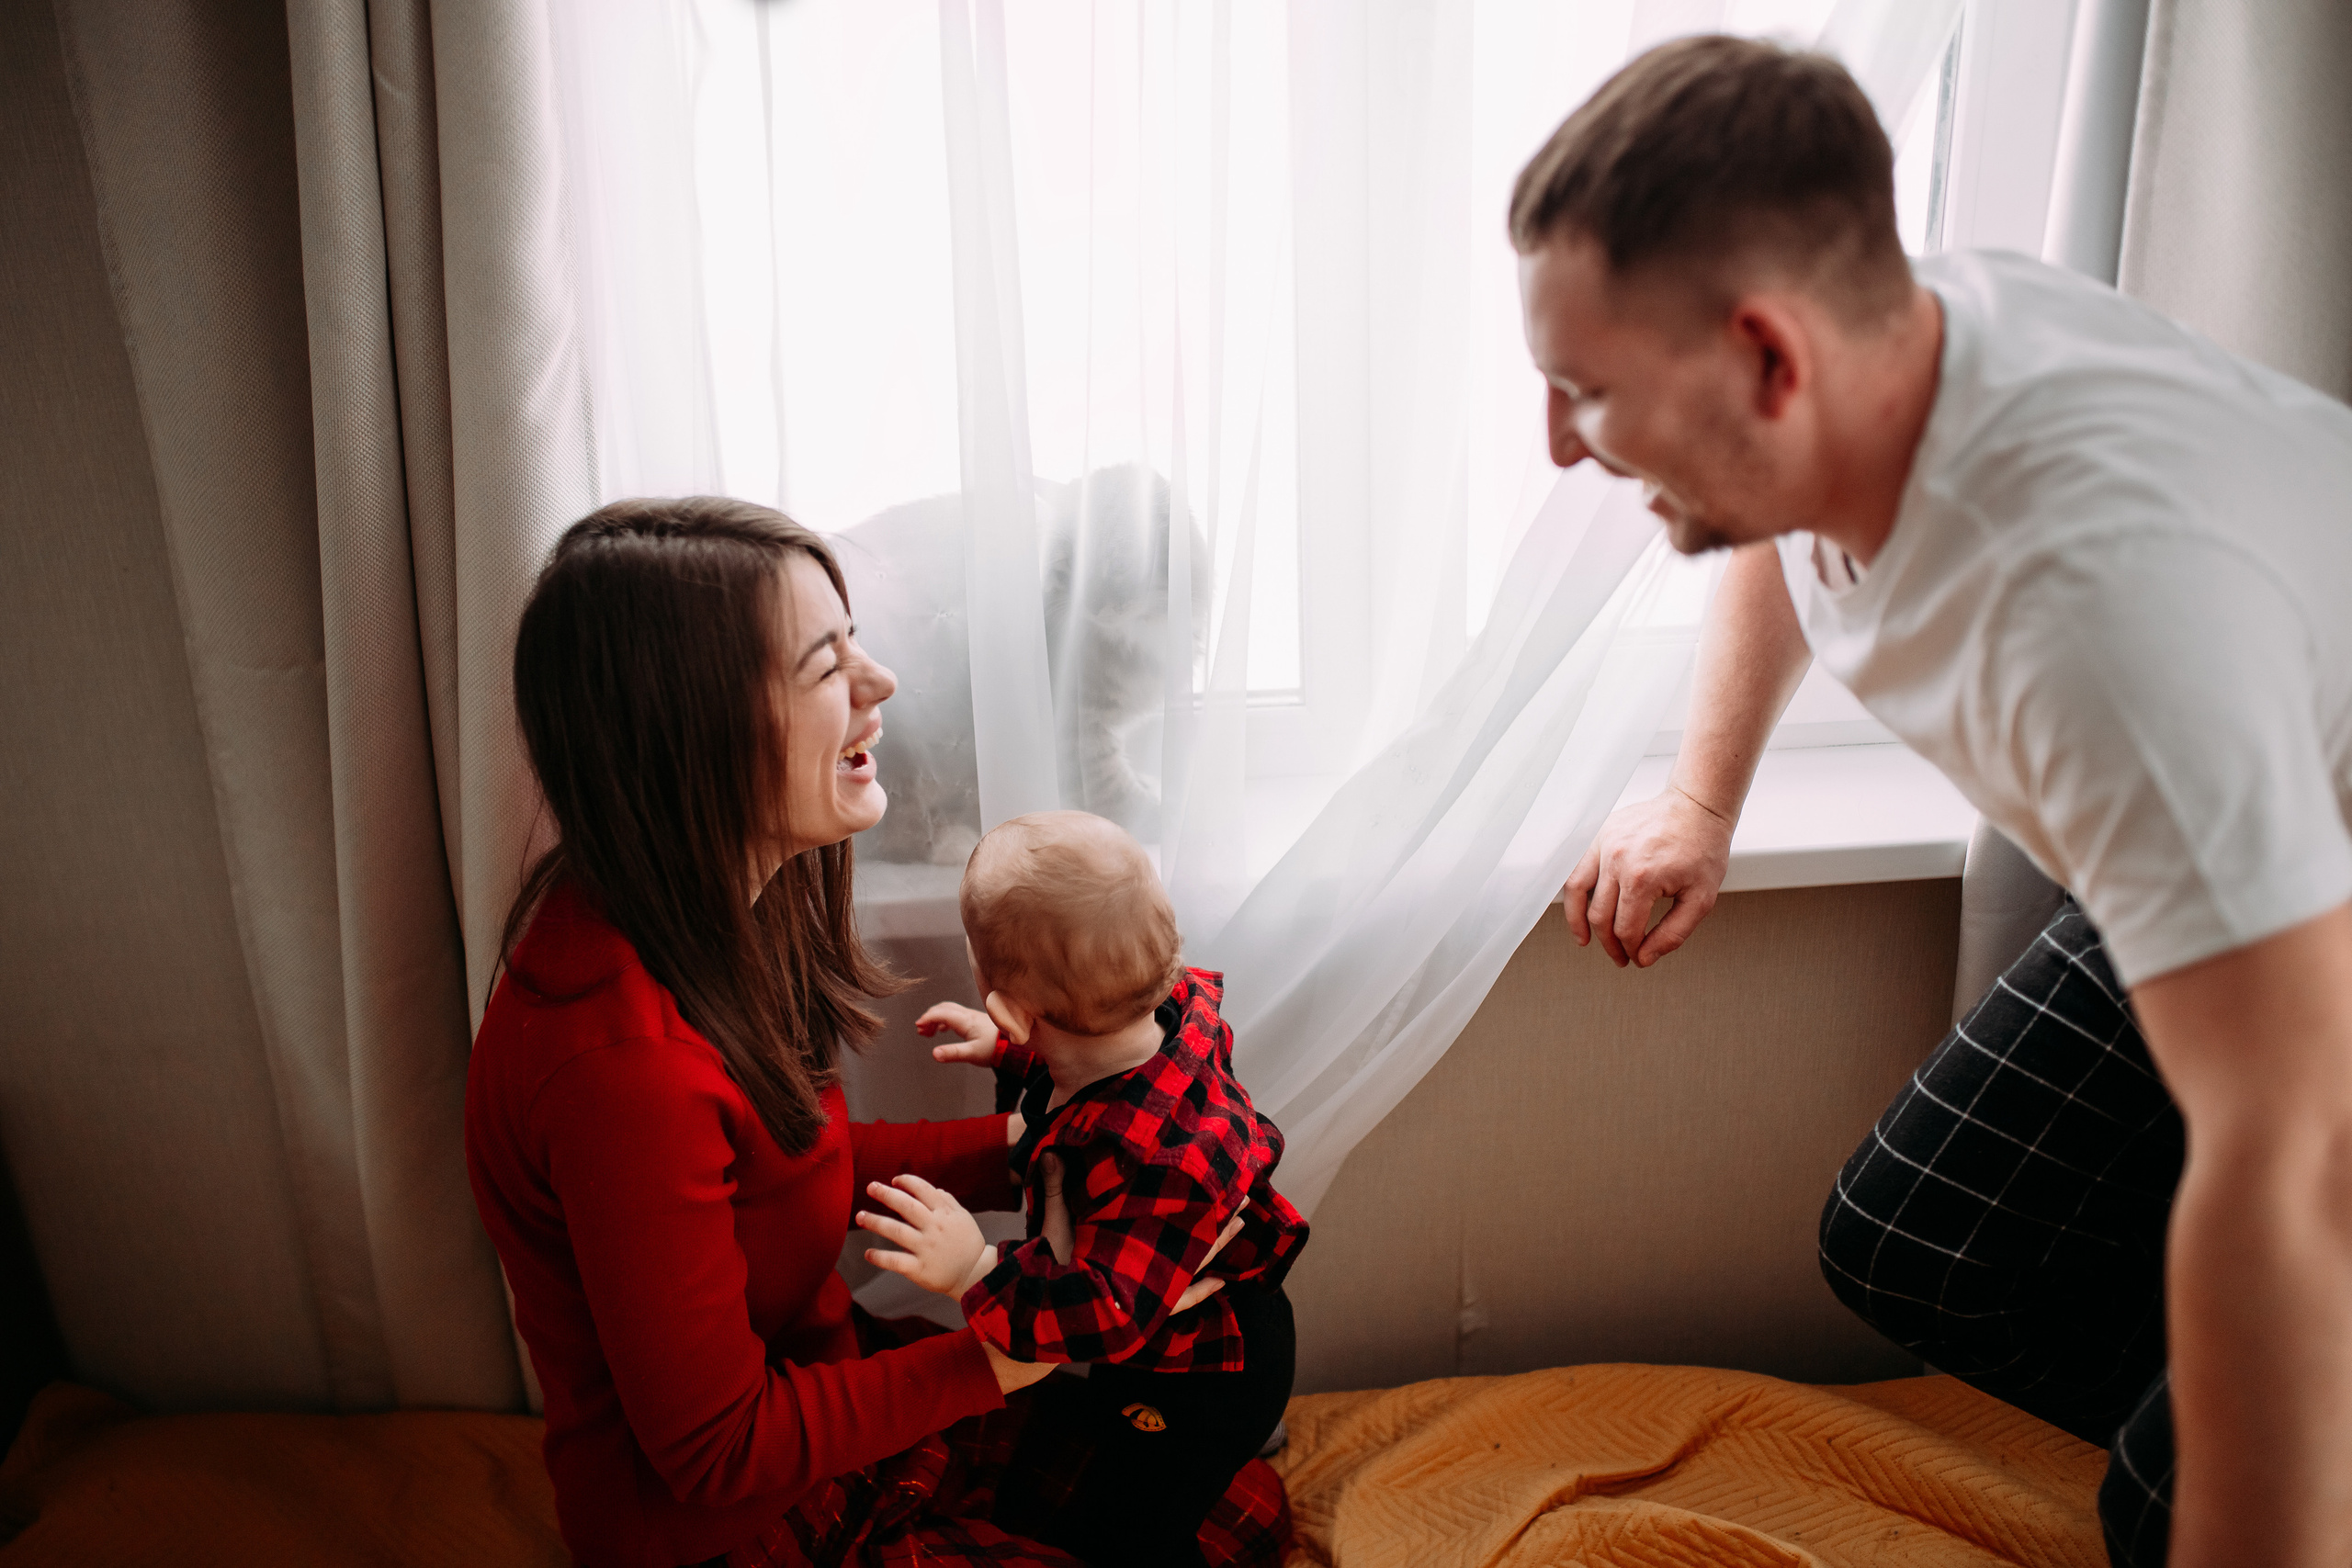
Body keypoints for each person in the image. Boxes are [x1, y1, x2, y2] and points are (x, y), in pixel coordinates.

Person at [1510, 34, 2352, 1568]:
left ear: (1768, 358)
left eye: (1586, 391)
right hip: (2253, 807)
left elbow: (2295, 1147)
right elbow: (1769, 510)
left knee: (2183, 1498)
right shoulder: (1882, 343)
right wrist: (1705, 797)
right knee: (1920, 1241)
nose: (1559, 443)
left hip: (2311, 899)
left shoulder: (2099, 627)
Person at [463, 499, 1286, 1568]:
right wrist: (1016, 1352)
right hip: (731, 1525)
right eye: (824, 665)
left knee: (1235, 1507)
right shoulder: (619, 1072)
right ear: (699, 726)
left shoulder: (702, 921)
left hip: (820, 1402)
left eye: (854, 642)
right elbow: (717, 1450)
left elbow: (787, 1173)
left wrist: (1097, 1136)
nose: (881, 684)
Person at [856, 809, 1307, 1568]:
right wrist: (1010, 1051)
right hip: (1199, 1331)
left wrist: (975, 1268)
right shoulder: (1168, 1020)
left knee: (1131, 1530)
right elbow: (1087, 1068)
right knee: (1104, 1444)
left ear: (1012, 1004)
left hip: (1200, 1369)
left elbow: (1103, 1310)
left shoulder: (1157, 1164)